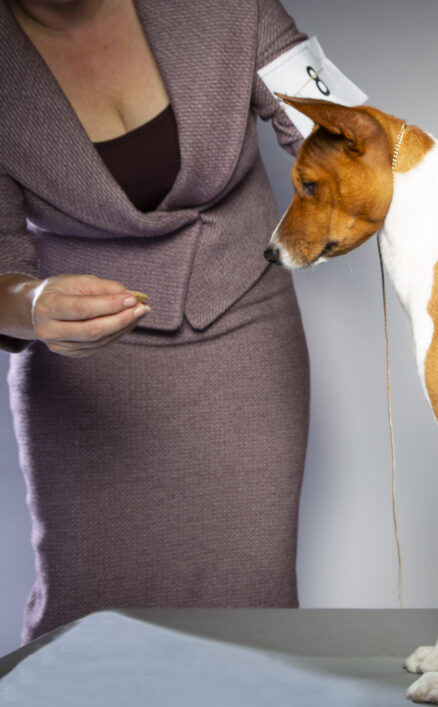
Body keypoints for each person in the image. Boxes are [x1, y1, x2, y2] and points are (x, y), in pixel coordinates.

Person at [0, 0, 312, 643]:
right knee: (86, 615)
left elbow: (338, 130)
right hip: (82, 371)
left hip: (244, 330)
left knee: (249, 606)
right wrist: (32, 306)